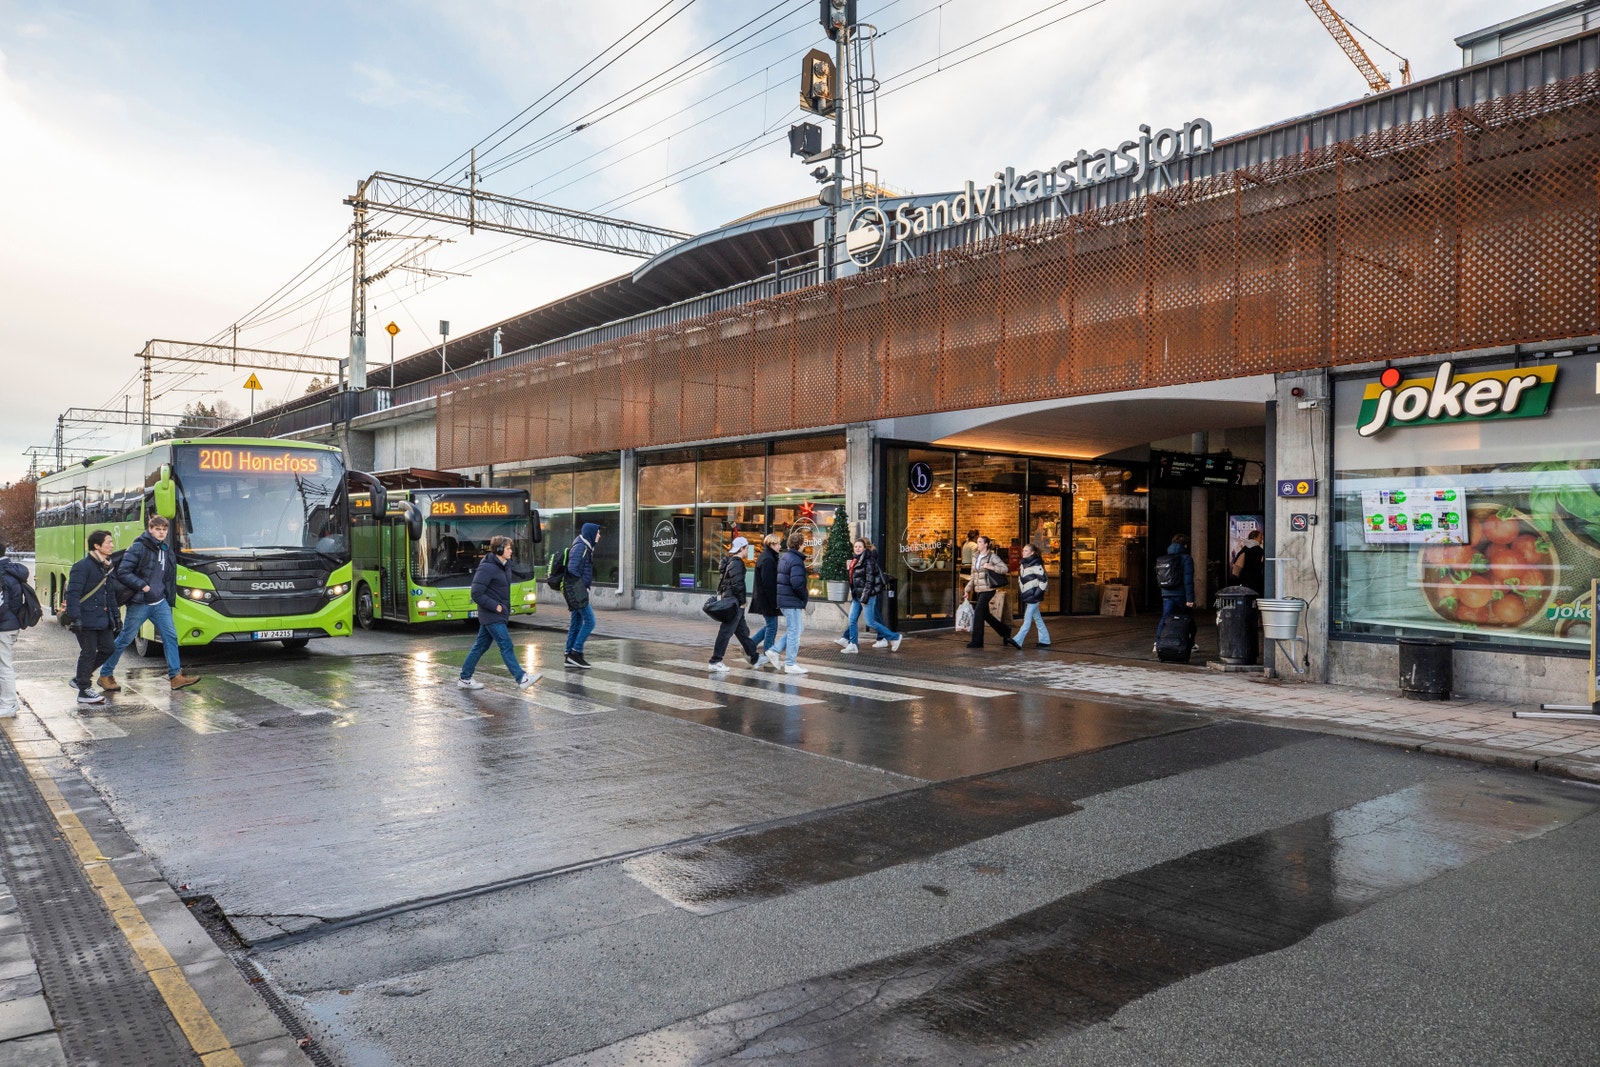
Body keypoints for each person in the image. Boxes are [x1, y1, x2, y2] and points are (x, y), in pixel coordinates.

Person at [98, 516, 200, 692]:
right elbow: (123, 572)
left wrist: (168, 597)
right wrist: (143, 586)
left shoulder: (166, 549)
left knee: (171, 637)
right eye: (158, 529)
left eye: (164, 530)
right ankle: (105, 675)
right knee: (125, 639)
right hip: (140, 602)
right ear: (150, 529)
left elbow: (167, 577)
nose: (161, 532)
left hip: (160, 602)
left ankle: (175, 677)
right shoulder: (138, 547)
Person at [458, 535, 541, 692]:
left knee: (480, 646)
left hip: (498, 614)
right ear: (499, 549)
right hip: (491, 614)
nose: (511, 551)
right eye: (508, 548)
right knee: (506, 645)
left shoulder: (505, 566)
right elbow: (476, 593)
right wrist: (495, 606)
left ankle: (465, 678)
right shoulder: (487, 567)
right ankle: (522, 678)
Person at [65, 530, 122, 705]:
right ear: (97, 546)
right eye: (108, 542)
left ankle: (80, 678)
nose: (112, 545)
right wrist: (75, 618)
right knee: (88, 653)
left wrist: (116, 617)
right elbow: (73, 594)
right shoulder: (82, 566)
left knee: (108, 649)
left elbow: (109, 595)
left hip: (102, 618)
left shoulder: (106, 566)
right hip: (85, 617)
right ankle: (83, 689)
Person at [839, 538, 902, 654]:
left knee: (870, 622)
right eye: (855, 546)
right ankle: (853, 644)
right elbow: (855, 579)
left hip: (866, 596)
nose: (857, 548)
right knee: (852, 620)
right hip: (856, 595)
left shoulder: (868, 560)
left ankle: (894, 637)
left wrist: (865, 597)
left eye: (860, 547)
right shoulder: (855, 560)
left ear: (864, 548)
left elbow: (869, 581)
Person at [708, 536, 761, 673]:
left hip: (730, 600)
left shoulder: (730, 561)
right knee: (725, 632)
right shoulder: (737, 563)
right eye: (746, 548)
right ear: (742, 548)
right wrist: (742, 601)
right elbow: (738, 584)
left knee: (742, 632)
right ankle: (715, 660)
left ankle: (754, 657)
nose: (747, 550)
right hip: (734, 602)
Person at [764, 530, 810, 674]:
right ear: (800, 545)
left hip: (785, 599)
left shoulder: (785, 557)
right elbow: (797, 583)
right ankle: (790, 663)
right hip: (792, 600)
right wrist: (804, 596)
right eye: (804, 544)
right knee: (795, 631)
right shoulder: (796, 560)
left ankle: (775, 650)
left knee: (796, 629)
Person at [963, 535, 1013, 649]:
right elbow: (973, 575)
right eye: (977, 542)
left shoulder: (992, 556)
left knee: (979, 612)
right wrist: (967, 589)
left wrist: (991, 567)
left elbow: (1005, 568)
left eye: (980, 542)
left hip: (988, 589)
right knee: (985, 614)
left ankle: (977, 641)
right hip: (978, 589)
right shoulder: (975, 557)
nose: (978, 544)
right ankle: (1005, 631)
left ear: (986, 544)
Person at [0, 540, 32, 718]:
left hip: (3, 627)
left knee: (4, 666)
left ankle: (9, 703)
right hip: (10, 624)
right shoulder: (11, 569)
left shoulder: (1, 573)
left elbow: (1, 606)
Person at [563, 522, 600, 668]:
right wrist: (581, 589)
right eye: (597, 532)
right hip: (577, 592)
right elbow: (572, 569)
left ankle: (569, 655)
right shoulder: (581, 547)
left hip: (576, 591)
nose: (599, 535)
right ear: (591, 533)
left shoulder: (585, 546)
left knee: (576, 623)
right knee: (590, 621)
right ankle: (575, 652)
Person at [1156, 532, 1196, 652]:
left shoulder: (1164, 558)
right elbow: (1188, 580)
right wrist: (1190, 599)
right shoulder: (1186, 558)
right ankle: (1189, 643)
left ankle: (1157, 643)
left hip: (1166, 593)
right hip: (1181, 594)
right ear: (1185, 546)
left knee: (1165, 618)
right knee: (1187, 620)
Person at [749, 533, 783, 663]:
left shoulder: (766, 557)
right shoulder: (768, 559)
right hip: (767, 599)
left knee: (770, 625)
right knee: (772, 626)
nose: (780, 546)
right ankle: (769, 652)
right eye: (778, 544)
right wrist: (775, 601)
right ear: (772, 544)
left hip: (764, 598)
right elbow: (769, 584)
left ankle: (750, 645)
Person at [1011, 542, 1051, 649]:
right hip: (1029, 596)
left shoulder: (1036, 565)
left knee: (1027, 617)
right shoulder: (1023, 563)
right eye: (1023, 550)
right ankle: (1045, 640)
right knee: (1037, 618)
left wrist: (1036, 594)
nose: (1023, 552)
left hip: (1034, 597)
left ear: (1032, 553)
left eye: (1026, 550)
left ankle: (1018, 640)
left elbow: (1044, 581)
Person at [1233, 529, 1266, 594]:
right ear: (1255, 538)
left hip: (1244, 580)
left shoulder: (1244, 549)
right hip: (1256, 580)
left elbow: (1236, 562)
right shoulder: (1259, 551)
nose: (1261, 540)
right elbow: (1259, 565)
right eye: (1260, 537)